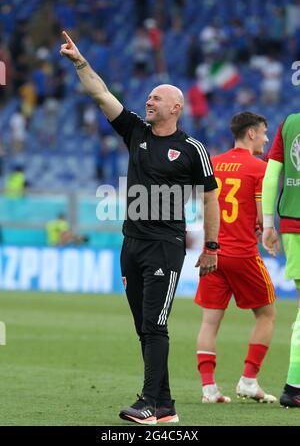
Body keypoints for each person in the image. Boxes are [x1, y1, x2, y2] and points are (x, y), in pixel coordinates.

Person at [60, 30, 220, 425]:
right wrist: (80, 62)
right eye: (148, 96)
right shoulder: (135, 132)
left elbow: (210, 198)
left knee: (155, 323)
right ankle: (164, 407)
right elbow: (101, 94)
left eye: (157, 97)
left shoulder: (191, 149)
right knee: (144, 327)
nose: (148, 100)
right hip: (131, 244)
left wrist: (211, 246)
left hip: (165, 246)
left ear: (176, 107)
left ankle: (149, 402)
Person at [194, 111, 277, 404]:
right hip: (242, 253)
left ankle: (209, 389)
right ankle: (249, 380)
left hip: (213, 253)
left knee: (209, 322)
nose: (267, 139)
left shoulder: (213, 163)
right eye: (265, 133)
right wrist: (266, 229)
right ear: (251, 133)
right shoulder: (259, 168)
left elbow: (205, 204)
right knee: (267, 315)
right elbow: (258, 213)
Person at [262, 114, 300, 408]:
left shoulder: (289, 124)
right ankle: (294, 385)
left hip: (291, 225)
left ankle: (294, 385)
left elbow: (272, 174)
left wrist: (268, 224)